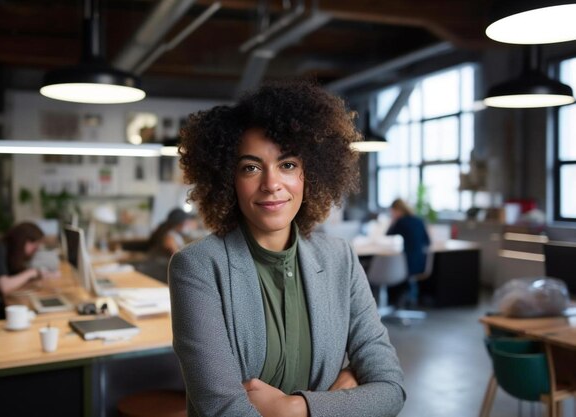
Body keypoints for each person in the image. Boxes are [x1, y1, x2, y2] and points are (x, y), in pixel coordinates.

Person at [169, 81, 405, 417]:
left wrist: (294, 409)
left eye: (288, 165)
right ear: (227, 180)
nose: (271, 184)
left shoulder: (340, 258)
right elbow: (222, 408)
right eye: (250, 167)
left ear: (310, 174)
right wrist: (344, 400)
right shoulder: (197, 266)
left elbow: (391, 390)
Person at [386, 198, 431, 306]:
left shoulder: (401, 222)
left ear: (396, 210)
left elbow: (388, 236)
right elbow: (428, 241)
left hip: (404, 266)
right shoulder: (419, 220)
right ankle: (409, 298)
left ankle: (394, 302)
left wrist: (393, 221)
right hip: (420, 264)